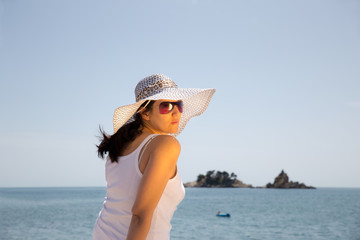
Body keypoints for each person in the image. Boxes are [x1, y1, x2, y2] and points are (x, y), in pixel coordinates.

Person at [93, 73, 215, 240]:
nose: (176, 113)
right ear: (145, 112)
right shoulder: (165, 145)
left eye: (178, 105)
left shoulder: (119, 147)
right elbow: (140, 215)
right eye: (167, 106)